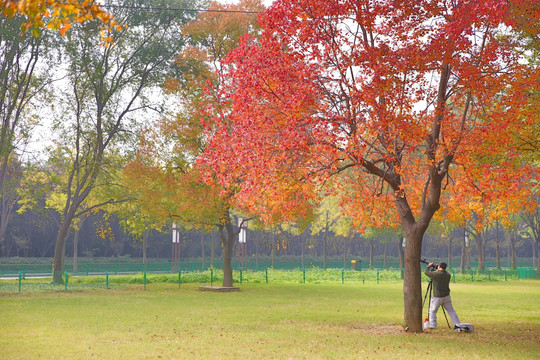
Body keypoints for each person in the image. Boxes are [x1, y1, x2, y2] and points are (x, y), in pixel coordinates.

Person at [424, 262, 461, 329]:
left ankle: (433, 325)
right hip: (446, 296)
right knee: (451, 311)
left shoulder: (436, 274)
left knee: (432, 311)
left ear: (439, 266)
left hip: (437, 296)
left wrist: (428, 266)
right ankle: (457, 324)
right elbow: (441, 273)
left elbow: (426, 272)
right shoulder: (448, 274)